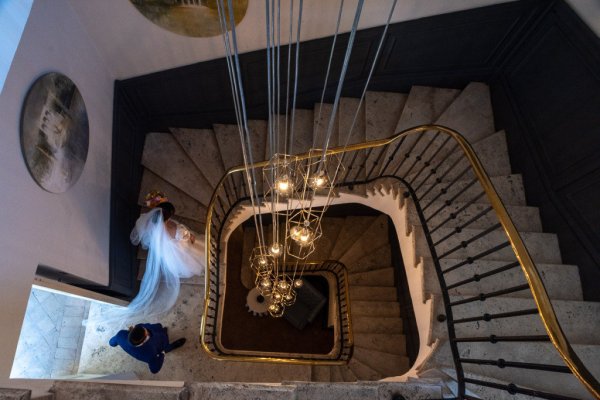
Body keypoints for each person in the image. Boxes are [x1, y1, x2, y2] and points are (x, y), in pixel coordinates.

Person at [124, 190, 205, 320]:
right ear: (167, 217)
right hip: (174, 249)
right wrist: (191, 237)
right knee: (195, 253)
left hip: (163, 250)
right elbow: (186, 245)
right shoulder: (176, 230)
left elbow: (143, 233)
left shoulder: (146, 220)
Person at [109, 323, 186, 374]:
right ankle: (172, 345)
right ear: (142, 342)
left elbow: (111, 343)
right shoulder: (150, 354)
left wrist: (116, 343)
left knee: (159, 328)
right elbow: (154, 369)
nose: (147, 330)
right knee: (164, 346)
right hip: (159, 346)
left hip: (147, 342)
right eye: (147, 333)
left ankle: (163, 332)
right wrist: (162, 354)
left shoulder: (120, 334)